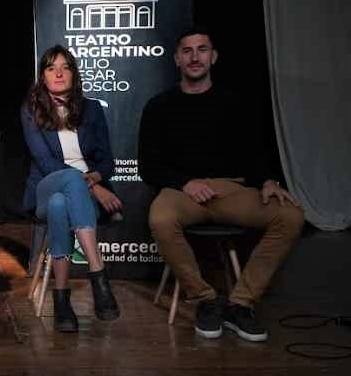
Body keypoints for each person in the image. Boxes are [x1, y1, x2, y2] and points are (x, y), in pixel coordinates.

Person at [138, 26, 304, 342]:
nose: (194, 57)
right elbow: (149, 166)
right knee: (160, 218)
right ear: (176, 59)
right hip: (182, 192)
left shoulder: (235, 103)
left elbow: (256, 153)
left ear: (213, 57)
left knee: (290, 215)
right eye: (187, 51)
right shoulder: (158, 106)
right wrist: (185, 182)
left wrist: (268, 181)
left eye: (202, 49)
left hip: (231, 189)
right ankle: (205, 300)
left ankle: (240, 304)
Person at [22, 45, 122, 332]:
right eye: (51, 68)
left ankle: (61, 299)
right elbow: (46, 162)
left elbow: (107, 160)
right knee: (62, 188)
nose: (58, 73)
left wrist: (95, 178)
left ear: (74, 74)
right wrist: (94, 188)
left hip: (76, 197)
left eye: (65, 67)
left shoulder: (92, 109)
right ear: (42, 76)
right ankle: (98, 273)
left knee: (60, 205)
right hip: (46, 185)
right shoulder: (31, 110)